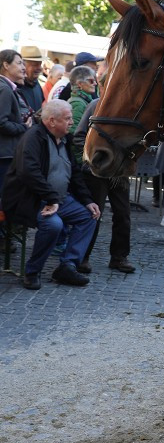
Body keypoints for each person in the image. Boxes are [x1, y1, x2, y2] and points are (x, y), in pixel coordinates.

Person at [1, 100, 100, 289]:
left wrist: (88, 200)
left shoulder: (64, 139)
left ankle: (68, 266)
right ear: (52, 121)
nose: (72, 122)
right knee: (54, 225)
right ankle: (32, 271)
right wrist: (52, 198)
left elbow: (75, 174)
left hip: (58, 199)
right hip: (30, 200)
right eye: (68, 118)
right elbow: (28, 172)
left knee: (89, 217)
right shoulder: (33, 138)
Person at [72, 86, 136, 274]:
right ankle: (83, 256)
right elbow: (79, 137)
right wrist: (92, 159)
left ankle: (119, 257)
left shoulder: (133, 109)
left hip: (119, 171)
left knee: (123, 214)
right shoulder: (95, 105)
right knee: (94, 214)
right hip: (96, 171)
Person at [0, 49, 33, 197]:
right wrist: (23, 127)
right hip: (4, 156)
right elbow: (1, 123)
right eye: (19, 63)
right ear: (6, 65)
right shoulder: (5, 89)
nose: (23, 67)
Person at [67, 65, 98, 133]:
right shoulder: (78, 103)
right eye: (91, 81)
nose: (95, 83)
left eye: (95, 81)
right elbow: (73, 131)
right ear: (80, 84)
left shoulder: (82, 100)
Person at [16, 45, 45, 114]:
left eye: (40, 64)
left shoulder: (36, 84)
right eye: (35, 65)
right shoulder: (14, 87)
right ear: (23, 66)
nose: (39, 68)